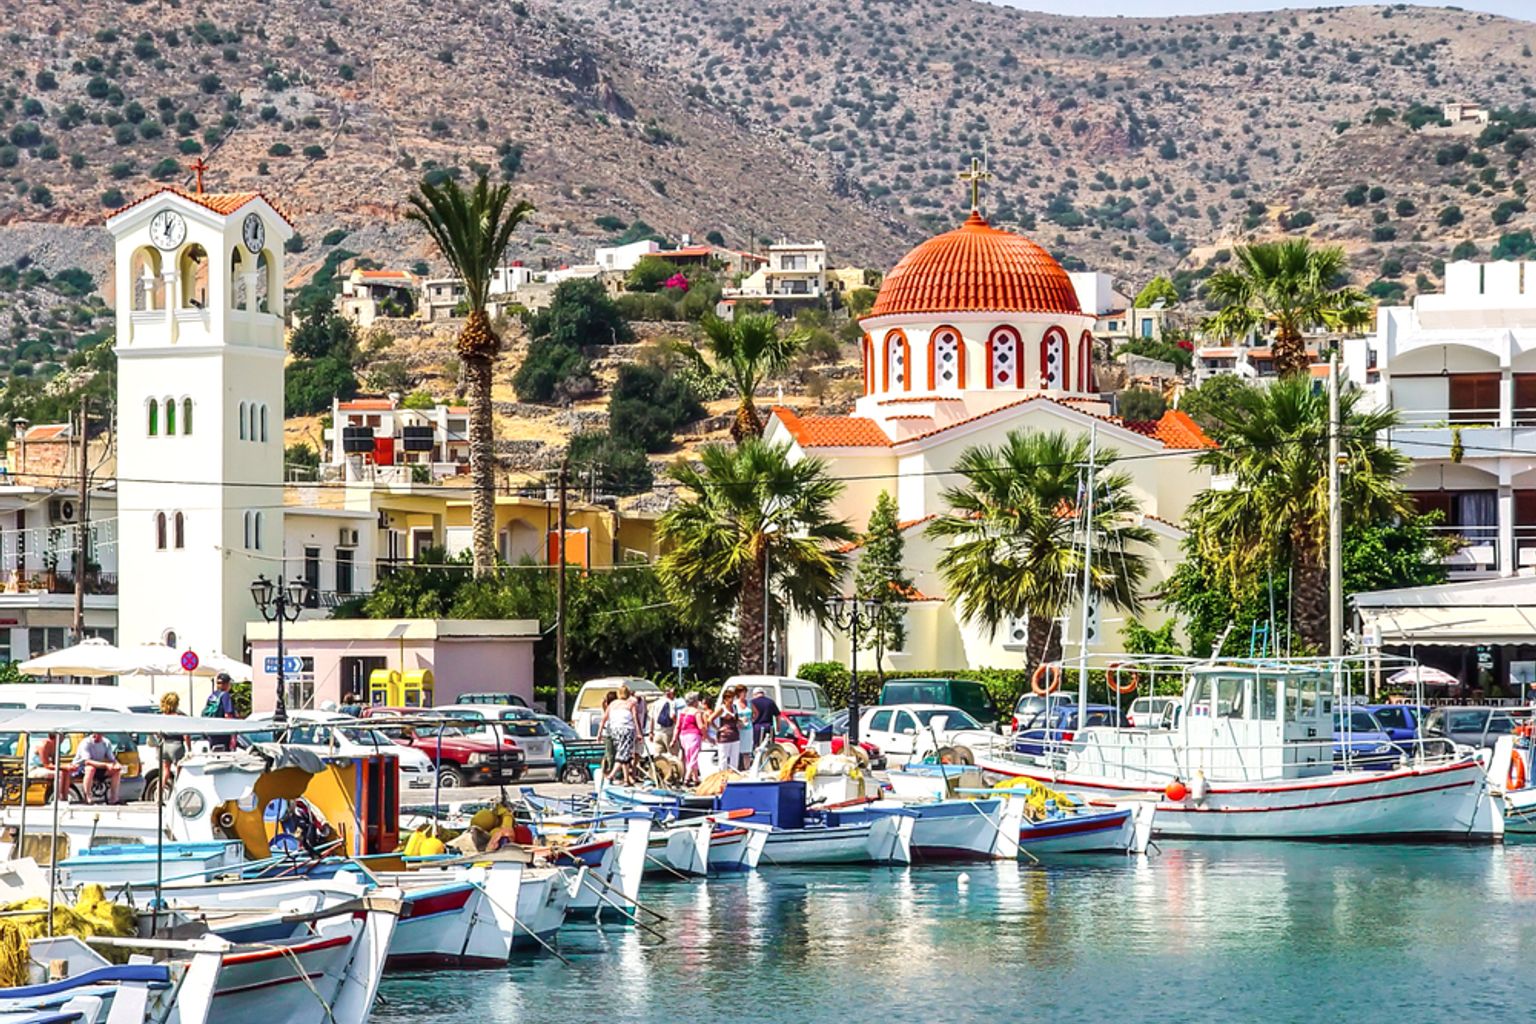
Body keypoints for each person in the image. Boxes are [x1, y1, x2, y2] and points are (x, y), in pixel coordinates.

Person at [71, 732, 123, 804]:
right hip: (80, 767)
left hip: (98, 766)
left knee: (116, 771)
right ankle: (87, 797)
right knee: (90, 769)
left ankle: (114, 798)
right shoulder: (86, 743)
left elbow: (112, 759)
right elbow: (87, 761)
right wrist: (106, 765)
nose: (97, 736)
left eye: (100, 733)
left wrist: (117, 764)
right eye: (96, 734)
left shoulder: (106, 743)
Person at [157, 692, 188, 798]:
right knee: (180, 770)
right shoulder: (180, 717)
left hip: (165, 744)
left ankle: (159, 794)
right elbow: (186, 734)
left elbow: (157, 732)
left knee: (165, 770)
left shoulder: (162, 717)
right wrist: (189, 748)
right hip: (177, 744)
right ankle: (178, 794)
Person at [607, 685, 639, 785]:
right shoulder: (631, 703)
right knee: (623, 755)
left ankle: (626, 779)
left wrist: (599, 732)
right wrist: (639, 732)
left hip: (615, 730)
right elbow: (635, 717)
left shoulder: (613, 704)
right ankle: (611, 775)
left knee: (624, 754)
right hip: (626, 730)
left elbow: (605, 717)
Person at [677, 693, 707, 786]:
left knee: (688, 757)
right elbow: (700, 726)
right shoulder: (696, 712)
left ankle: (695, 778)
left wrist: (674, 738)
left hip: (683, 735)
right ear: (695, 701)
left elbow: (678, 726)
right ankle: (687, 778)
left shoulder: (682, 711)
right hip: (693, 735)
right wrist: (705, 735)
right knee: (693, 757)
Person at [203, 673, 238, 751]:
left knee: (215, 752)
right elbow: (228, 715)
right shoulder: (225, 695)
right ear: (227, 684)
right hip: (223, 732)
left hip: (212, 730)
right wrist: (233, 734)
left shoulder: (213, 695)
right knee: (224, 754)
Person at [712, 690, 742, 776]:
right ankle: (722, 775)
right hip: (724, 736)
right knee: (723, 758)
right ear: (725, 699)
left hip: (735, 735)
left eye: (732, 697)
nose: (731, 700)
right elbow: (710, 719)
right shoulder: (722, 708)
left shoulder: (734, 707)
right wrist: (718, 729)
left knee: (734, 758)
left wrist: (740, 722)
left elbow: (737, 719)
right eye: (729, 698)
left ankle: (733, 775)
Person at [749, 687, 781, 752]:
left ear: (754, 694)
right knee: (770, 748)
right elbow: (777, 715)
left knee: (757, 748)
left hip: (757, 728)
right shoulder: (770, 702)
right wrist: (778, 727)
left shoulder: (752, 702)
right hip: (769, 728)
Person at [654, 686, 680, 754]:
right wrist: (678, 724)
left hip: (657, 733)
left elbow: (652, 718)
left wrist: (651, 732)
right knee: (673, 755)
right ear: (670, 693)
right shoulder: (671, 702)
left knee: (659, 757)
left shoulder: (656, 702)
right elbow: (672, 716)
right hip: (668, 733)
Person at [733, 686, 754, 769]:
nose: (745, 694)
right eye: (743, 692)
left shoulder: (749, 703)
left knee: (747, 752)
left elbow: (756, 713)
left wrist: (751, 719)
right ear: (738, 693)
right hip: (739, 730)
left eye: (745, 692)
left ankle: (747, 769)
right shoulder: (734, 704)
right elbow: (732, 716)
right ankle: (737, 768)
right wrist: (739, 720)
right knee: (737, 751)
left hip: (748, 729)